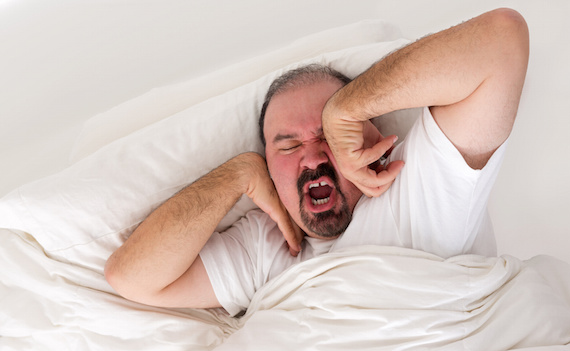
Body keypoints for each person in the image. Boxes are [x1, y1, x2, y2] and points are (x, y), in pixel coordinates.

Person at [105, 8, 529, 316]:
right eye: (286, 147)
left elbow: (503, 40)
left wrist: (346, 109)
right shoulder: (269, 246)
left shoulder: (417, 189)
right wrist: (237, 174)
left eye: (328, 136)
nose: (311, 156)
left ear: (373, 139)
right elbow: (132, 277)